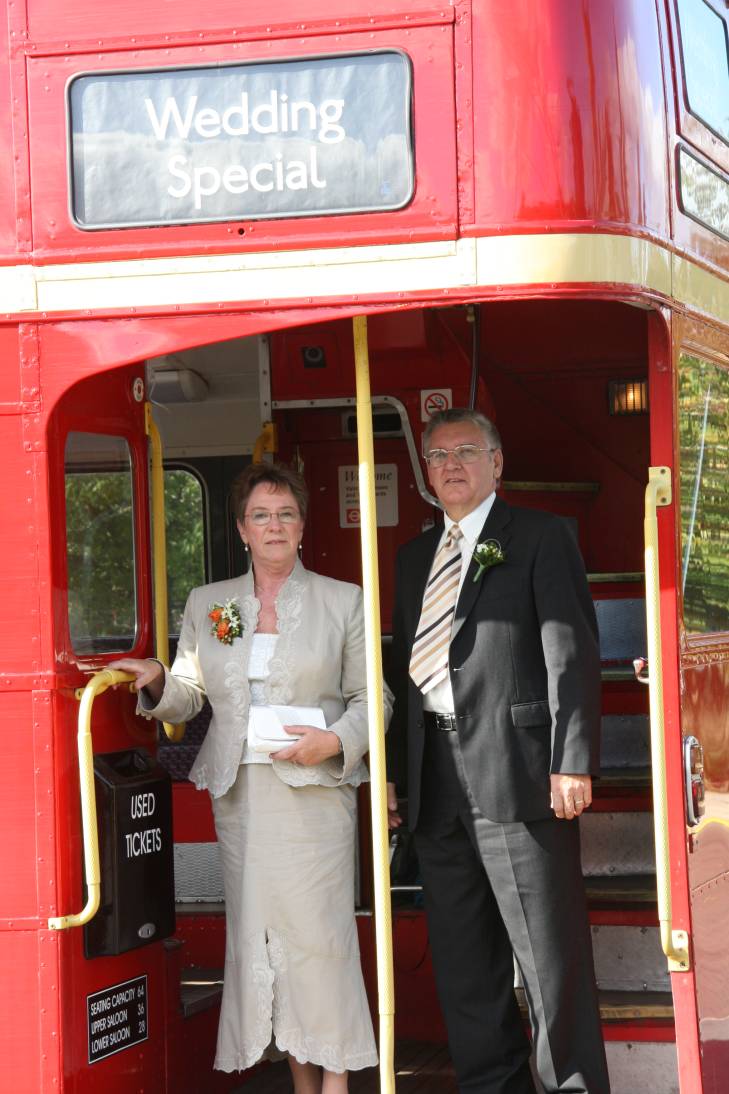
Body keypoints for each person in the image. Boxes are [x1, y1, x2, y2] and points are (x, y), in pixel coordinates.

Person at [112, 462, 389, 1094]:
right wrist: (158, 679)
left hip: (316, 796)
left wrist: (333, 741)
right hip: (242, 800)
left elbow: (374, 698)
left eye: (285, 513)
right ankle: (300, 1078)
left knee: (321, 939)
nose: (274, 525)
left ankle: (339, 1083)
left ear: (302, 525)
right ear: (241, 528)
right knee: (263, 939)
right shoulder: (209, 603)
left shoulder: (344, 599)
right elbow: (189, 696)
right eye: (261, 515)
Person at [386, 408, 610, 1094]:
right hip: (433, 781)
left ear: (496, 463)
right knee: (464, 968)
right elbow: (403, 676)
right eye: (437, 456)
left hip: (519, 774)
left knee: (548, 961)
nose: (450, 465)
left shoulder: (541, 536)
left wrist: (570, 758)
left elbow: (568, 650)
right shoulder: (411, 557)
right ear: (424, 473)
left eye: (465, 452)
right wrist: (397, 779)